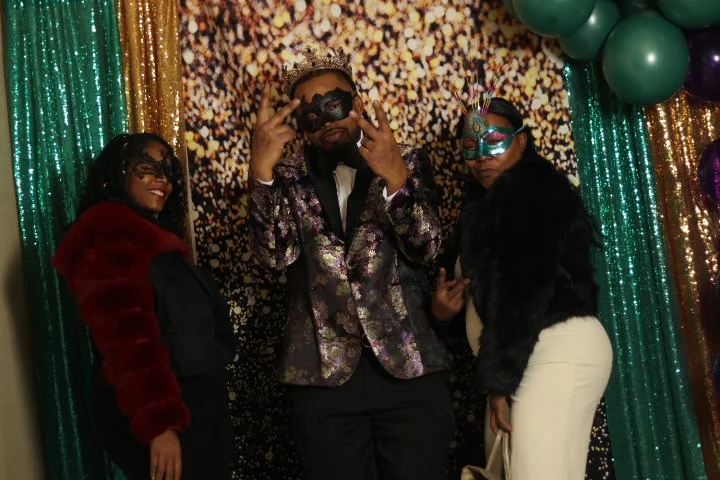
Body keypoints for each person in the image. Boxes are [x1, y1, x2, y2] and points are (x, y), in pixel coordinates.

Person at [248, 45, 455, 480]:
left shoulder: (406, 159)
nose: (326, 120)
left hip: (408, 366)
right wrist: (261, 173)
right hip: (323, 376)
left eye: (333, 104)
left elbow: (428, 248)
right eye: (311, 114)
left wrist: (395, 178)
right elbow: (275, 257)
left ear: (357, 101)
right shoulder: (287, 175)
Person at [431, 96, 613, 479]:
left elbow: (523, 290)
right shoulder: (484, 206)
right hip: (518, 356)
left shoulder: (532, 192)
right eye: (471, 146)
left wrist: (499, 381)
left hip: (552, 350)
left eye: (495, 141)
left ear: (521, 141)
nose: (482, 156)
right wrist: (443, 310)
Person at [54, 133, 235, 480]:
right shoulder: (109, 239)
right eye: (146, 169)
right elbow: (127, 343)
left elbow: (205, 318)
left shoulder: (160, 245)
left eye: (167, 172)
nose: (161, 180)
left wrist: (211, 360)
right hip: (163, 417)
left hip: (198, 410)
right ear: (115, 177)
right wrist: (160, 426)